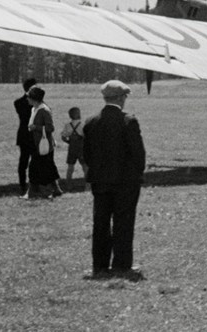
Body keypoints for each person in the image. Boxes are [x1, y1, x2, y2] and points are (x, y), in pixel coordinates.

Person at [83, 80, 147, 280]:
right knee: (123, 222)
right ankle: (121, 265)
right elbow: (138, 154)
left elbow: (87, 154)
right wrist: (137, 174)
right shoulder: (129, 121)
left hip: (100, 182)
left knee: (100, 223)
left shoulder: (91, 122)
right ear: (120, 98)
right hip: (125, 182)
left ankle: (100, 266)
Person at [24, 86, 62, 199]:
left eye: (29, 97)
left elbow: (50, 128)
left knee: (34, 168)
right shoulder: (34, 109)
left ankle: (33, 193)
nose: (27, 99)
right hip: (36, 144)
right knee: (48, 167)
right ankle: (56, 189)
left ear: (34, 98)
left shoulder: (44, 110)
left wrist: (36, 127)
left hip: (42, 145)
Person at [14, 77, 39, 191]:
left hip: (23, 133)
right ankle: (34, 183)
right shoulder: (37, 103)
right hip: (34, 134)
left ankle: (22, 183)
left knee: (23, 160)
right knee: (35, 160)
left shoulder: (18, 103)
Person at [61, 107, 87, 190]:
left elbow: (63, 137)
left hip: (72, 148)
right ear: (79, 114)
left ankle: (69, 184)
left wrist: (70, 142)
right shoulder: (83, 125)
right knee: (85, 167)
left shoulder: (68, 125)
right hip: (81, 148)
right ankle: (88, 185)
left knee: (70, 167)